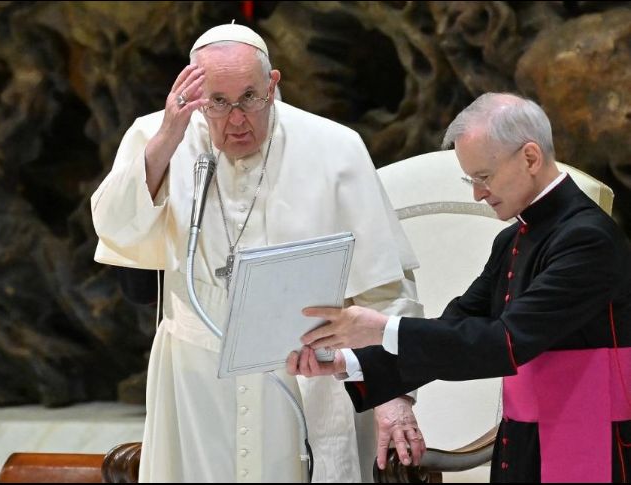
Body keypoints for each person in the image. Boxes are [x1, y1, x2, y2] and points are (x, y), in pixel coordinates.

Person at [91, 23, 426, 482]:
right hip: (194, 378)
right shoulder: (158, 136)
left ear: (273, 84)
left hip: (302, 370)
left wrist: (393, 396)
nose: (235, 119)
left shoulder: (335, 147)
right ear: (192, 93)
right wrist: (169, 136)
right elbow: (115, 230)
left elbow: (385, 286)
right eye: (217, 102)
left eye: (250, 98)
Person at [288, 92, 631, 482]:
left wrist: (381, 327)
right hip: (524, 436)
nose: (477, 193)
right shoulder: (513, 238)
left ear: (530, 158)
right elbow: (459, 322)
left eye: (483, 177)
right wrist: (349, 362)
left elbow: (504, 342)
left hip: (584, 436)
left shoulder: (587, 238)